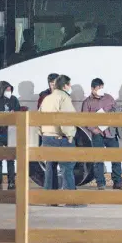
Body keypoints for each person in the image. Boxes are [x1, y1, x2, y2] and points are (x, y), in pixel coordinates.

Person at [39, 75, 85, 207]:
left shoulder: (47, 98)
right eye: (69, 85)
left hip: (47, 137)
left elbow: (38, 116)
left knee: (50, 167)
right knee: (67, 168)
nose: (70, 87)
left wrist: (42, 133)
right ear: (65, 86)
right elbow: (66, 119)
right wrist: (70, 135)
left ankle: (50, 199)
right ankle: (70, 199)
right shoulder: (64, 98)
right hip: (61, 137)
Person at [81, 78, 122, 190]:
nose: (100, 90)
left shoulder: (109, 98)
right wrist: (93, 129)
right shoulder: (87, 102)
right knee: (98, 159)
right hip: (97, 134)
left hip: (110, 132)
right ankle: (101, 183)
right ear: (92, 89)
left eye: (102, 87)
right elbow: (84, 120)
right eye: (98, 88)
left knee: (116, 158)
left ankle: (118, 182)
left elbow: (116, 111)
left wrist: (112, 115)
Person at [0, 81, 21, 190]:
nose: (9, 92)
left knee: (11, 160)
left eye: (10, 90)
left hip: (10, 134)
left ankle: (12, 182)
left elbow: (19, 115)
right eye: (7, 90)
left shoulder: (14, 100)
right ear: (2, 90)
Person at [37, 73, 60, 190]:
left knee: (60, 163)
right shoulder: (44, 96)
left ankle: (53, 189)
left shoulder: (64, 95)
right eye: (52, 83)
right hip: (48, 132)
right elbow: (39, 114)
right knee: (50, 164)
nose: (53, 85)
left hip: (60, 132)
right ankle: (49, 190)